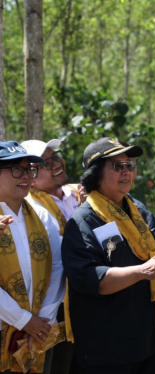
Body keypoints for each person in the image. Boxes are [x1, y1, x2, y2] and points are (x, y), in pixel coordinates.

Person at [61, 137, 155, 374]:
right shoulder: (83, 220)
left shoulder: (139, 211)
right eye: (116, 166)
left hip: (153, 338)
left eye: (129, 165)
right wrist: (142, 271)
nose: (126, 172)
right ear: (95, 174)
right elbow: (90, 279)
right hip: (110, 347)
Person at [0, 141, 65, 373]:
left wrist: (41, 321)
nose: (25, 176)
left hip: (38, 332)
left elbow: (58, 267)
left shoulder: (42, 215)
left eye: (30, 170)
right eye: (17, 169)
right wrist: (22, 320)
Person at [22, 139, 85, 374]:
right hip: (54, 309)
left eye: (55, 156)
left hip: (92, 303)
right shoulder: (28, 209)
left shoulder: (82, 194)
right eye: (46, 163)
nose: (57, 163)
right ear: (30, 176)